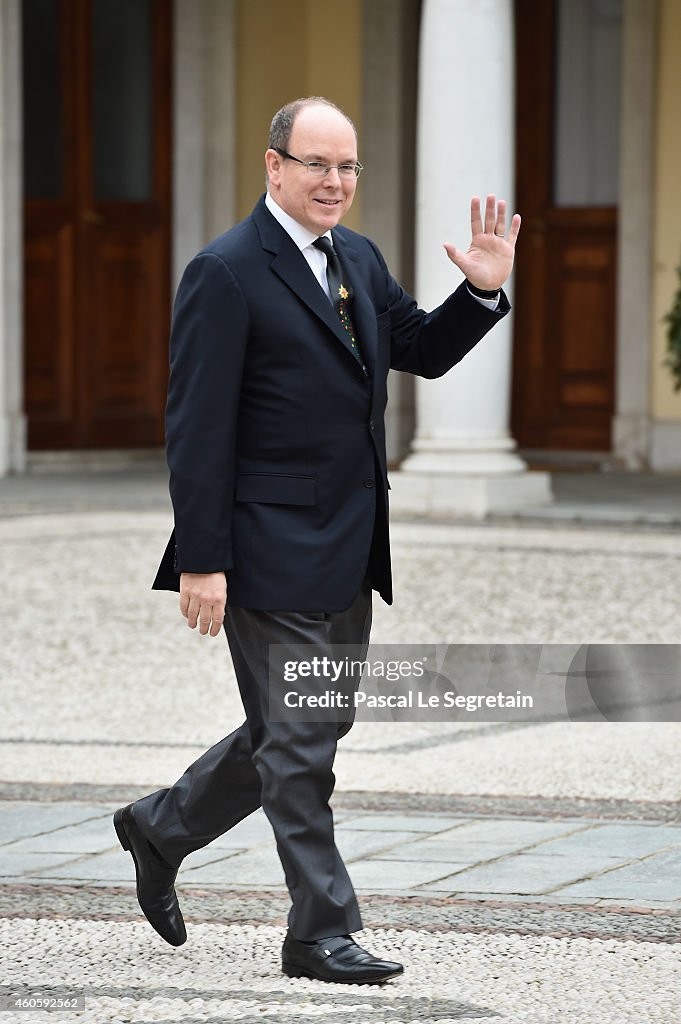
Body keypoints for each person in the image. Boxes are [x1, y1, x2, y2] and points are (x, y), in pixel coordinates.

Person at [114, 96, 520, 985]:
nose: (334, 182)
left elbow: (419, 347)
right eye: (316, 165)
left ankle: (160, 826)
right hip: (262, 543)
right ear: (273, 166)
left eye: (346, 167)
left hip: (345, 538)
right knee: (298, 740)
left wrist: (481, 289)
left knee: (306, 721)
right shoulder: (225, 272)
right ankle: (319, 930)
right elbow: (195, 427)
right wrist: (202, 558)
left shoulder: (358, 258)